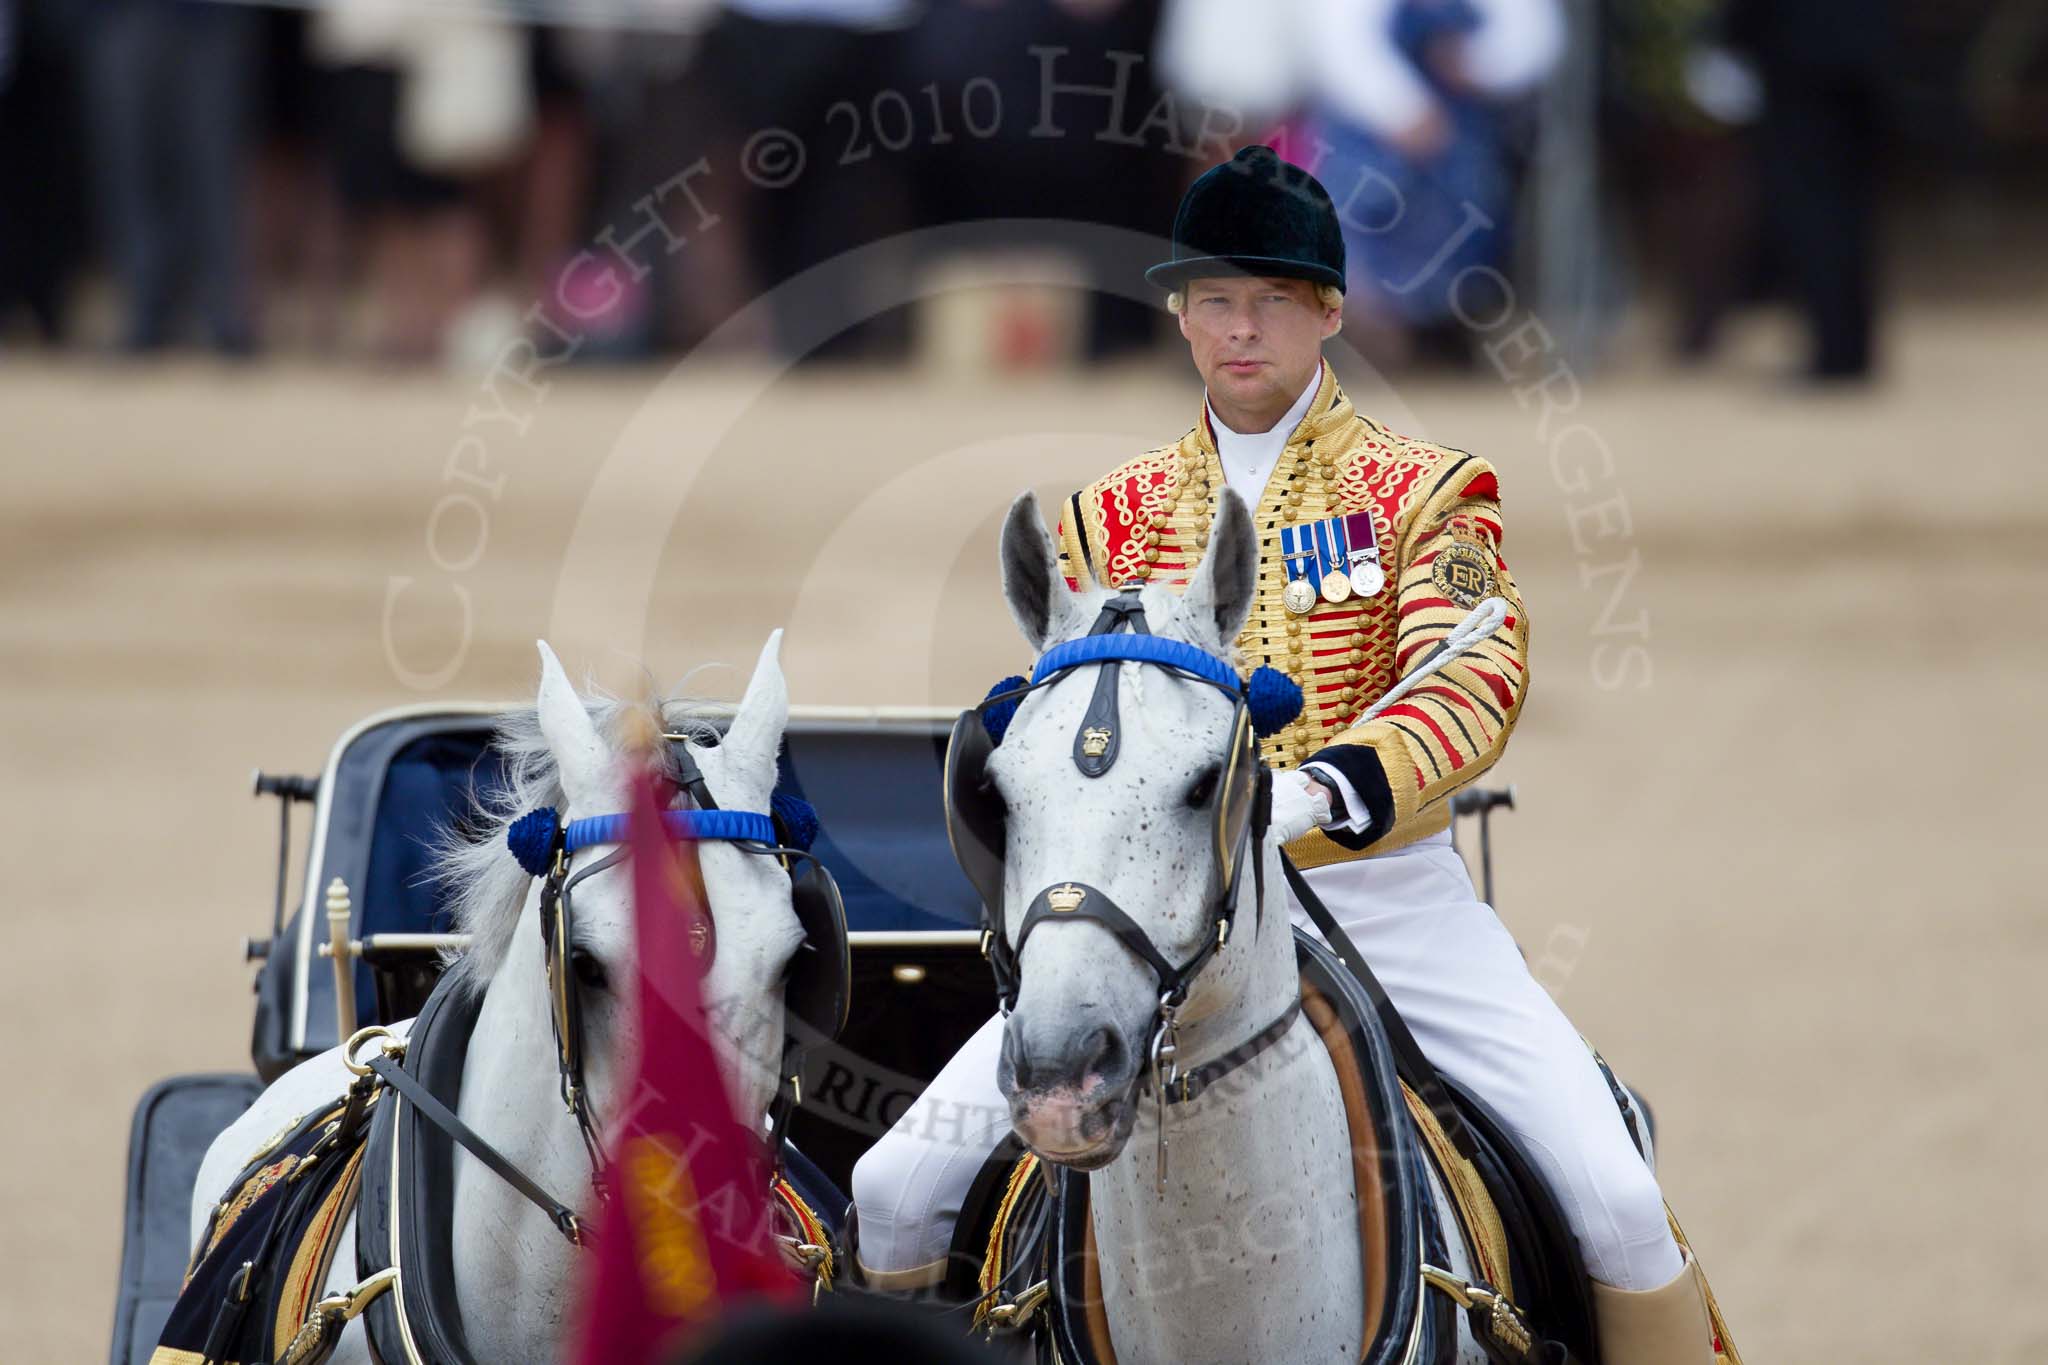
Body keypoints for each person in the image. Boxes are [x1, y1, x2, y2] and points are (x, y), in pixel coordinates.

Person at [851, 146, 1725, 1363]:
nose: (1240, 327)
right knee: (895, 1189)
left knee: (1620, 1208)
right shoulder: (1111, 514)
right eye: (1215, 300)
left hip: (1383, 899)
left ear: (1328, 311)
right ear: (1177, 313)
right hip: (1160, 905)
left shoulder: (1420, 490)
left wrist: (1327, 786)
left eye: (1271, 300)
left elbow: (1472, 669)